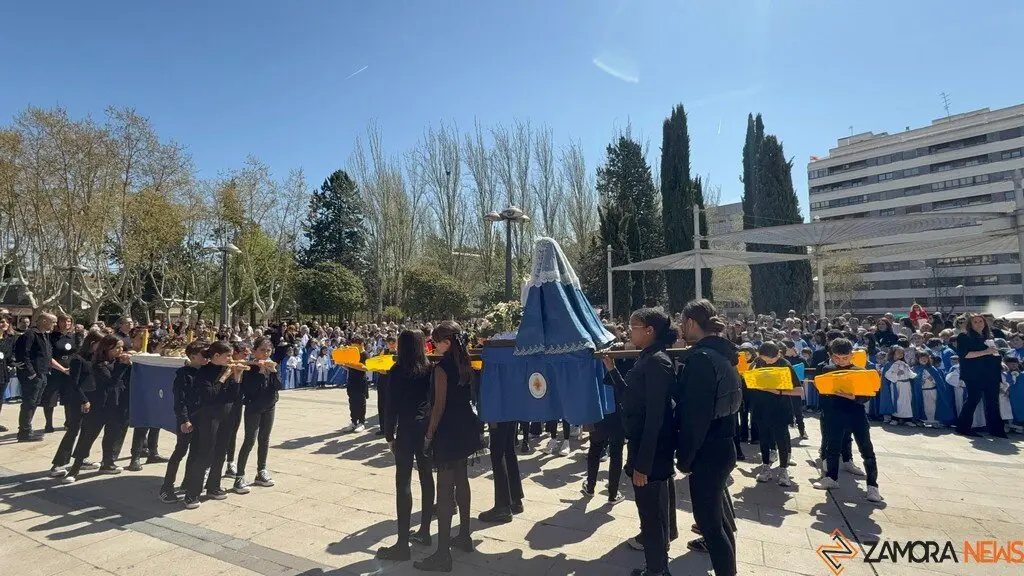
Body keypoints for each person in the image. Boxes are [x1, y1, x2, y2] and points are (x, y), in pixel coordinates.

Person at [601, 307, 677, 576]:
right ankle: (656, 566)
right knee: (649, 514)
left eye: (633, 326)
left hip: (651, 453)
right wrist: (611, 371)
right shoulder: (647, 359)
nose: (628, 330)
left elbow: (656, 417)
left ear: (649, 331)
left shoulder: (657, 362)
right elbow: (631, 399)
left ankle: (657, 570)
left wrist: (643, 464)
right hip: (642, 447)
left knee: (652, 517)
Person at [675, 299, 742, 576]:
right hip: (722, 444)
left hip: (707, 450)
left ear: (691, 323)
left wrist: (685, 458)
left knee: (711, 526)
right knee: (720, 521)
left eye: (681, 322)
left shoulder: (702, 360)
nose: (680, 328)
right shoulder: (723, 355)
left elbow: (695, 418)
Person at [414, 321, 482, 573]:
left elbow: (439, 406)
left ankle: (443, 554)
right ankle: (464, 535)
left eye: (436, 340)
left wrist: (429, 434)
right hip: (466, 426)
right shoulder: (465, 363)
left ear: (447, 342)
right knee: (462, 480)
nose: (433, 344)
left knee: (444, 491)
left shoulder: (441, 368)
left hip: (449, 430)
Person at [377, 330, 435, 561]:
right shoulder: (429, 369)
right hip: (425, 426)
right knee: (427, 477)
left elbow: (390, 405)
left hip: (406, 428)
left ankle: (402, 543)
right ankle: (425, 531)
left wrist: (389, 434)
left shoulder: (397, 370)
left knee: (403, 481)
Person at [812, 338, 883, 503]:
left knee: (866, 449)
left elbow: (868, 394)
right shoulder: (826, 369)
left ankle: (873, 486)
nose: (841, 361)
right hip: (834, 413)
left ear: (851, 355)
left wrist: (855, 397)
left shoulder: (860, 370)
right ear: (831, 356)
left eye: (845, 358)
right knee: (832, 447)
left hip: (855, 414)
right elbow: (821, 389)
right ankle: (831, 478)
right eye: (836, 358)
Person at [181, 340, 245, 509]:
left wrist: (237, 377)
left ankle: (213, 486)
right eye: (228, 356)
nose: (231, 359)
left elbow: (233, 396)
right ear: (216, 356)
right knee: (205, 454)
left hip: (227, 415)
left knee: (220, 452)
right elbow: (209, 394)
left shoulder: (228, 370)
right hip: (209, 417)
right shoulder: (204, 372)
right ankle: (192, 493)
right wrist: (225, 376)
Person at [62, 334, 133, 481]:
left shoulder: (118, 361)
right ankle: (74, 469)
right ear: (107, 348)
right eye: (117, 347)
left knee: (112, 435)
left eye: (121, 347)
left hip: (117, 404)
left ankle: (107, 462)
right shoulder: (98, 364)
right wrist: (123, 365)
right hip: (100, 405)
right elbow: (110, 380)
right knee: (88, 436)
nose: (121, 350)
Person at [50, 330, 104, 477]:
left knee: (87, 431)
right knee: (73, 430)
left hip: (92, 398)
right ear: (93, 343)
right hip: (77, 399)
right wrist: (83, 400)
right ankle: (59, 463)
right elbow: (74, 382)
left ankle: (81, 457)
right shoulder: (78, 359)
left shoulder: (96, 359)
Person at [160, 341, 208, 503]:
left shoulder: (206, 372)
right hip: (187, 419)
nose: (206, 358)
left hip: (202, 419)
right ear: (193, 357)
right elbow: (179, 401)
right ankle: (166, 487)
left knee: (195, 453)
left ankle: (188, 482)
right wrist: (184, 419)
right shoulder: (183, 375)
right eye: (203, 354)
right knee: (180, 451)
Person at [233, 336, 281, 494]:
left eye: (268, 350)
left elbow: (278, 386)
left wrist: (272, 372)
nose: (265, 353)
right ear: (254, 351)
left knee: (265, 439)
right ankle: (239, 476)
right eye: (262, 350)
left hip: (269, 406)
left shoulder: (272, 365)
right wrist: (260, 372)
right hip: (254, 407)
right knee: (249, 440)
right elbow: (250, 390)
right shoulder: (250, 368)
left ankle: (261, 471)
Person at [751, 342, 801, 488]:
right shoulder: (758, 362)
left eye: (769, 360)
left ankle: (783, 470)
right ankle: (765, 466)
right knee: (764, 438)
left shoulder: (785, 365)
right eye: (764, 359)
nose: (766, 362)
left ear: (778, 355)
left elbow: (798, 391)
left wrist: (778, 391)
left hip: (780, 407)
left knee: (782, 439)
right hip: (761, 406)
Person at [955, 313, 1006, 438]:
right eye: (975, 322)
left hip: (991, 373)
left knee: (993, 402)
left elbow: (993, 353)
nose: (979, 323)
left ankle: (996, 430)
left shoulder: (989, 337)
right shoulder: (964, 336)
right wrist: (985, 352)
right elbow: (965, 355)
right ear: (970, 324)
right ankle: (963, 427)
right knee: (973, 399)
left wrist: (1000, 361)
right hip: (974, 374)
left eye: (981, 321)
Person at [14, 312, 58, 442]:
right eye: (53, 322)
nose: (54, 325)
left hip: (43, 374)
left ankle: (27, 430)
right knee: (29, 402)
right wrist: (32, 374)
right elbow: (23, 355)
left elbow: (47, 355)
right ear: (44, 321)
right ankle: (24, 433)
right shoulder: (30, 335)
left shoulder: (44, 335)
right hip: (33, 376)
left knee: (34, 403)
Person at [42, 314, 77, 433]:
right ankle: (48, 424)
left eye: (68, 321)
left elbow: (75, 353)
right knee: (50, 398)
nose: (66, 324)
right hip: (55, 371)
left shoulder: (72, 336)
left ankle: (69, 422)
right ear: (58, 323)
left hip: (69, 371)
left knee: (69, 398)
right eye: (63, 321)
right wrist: (62, 369)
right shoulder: (51, 337)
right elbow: (48, 356)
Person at [343, 336, 369, 433]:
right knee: (352, 402)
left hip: (361, 381)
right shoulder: (352, 354)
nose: (353, 346)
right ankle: (353, 421)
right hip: (351, 381)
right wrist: (344, 365)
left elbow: (365, 368)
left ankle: (361, 422)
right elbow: (349, 367)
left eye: (355, 344)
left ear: (361, 344)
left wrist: (350, 365)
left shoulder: (365, 354)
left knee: (361, 402)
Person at [0, 315, 17, 432]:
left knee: (0, 399)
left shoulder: (10, 338)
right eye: (1, 322)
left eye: (6, 322)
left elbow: (10, 356)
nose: (4, 324)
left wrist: (14, 364)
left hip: (3, 372)